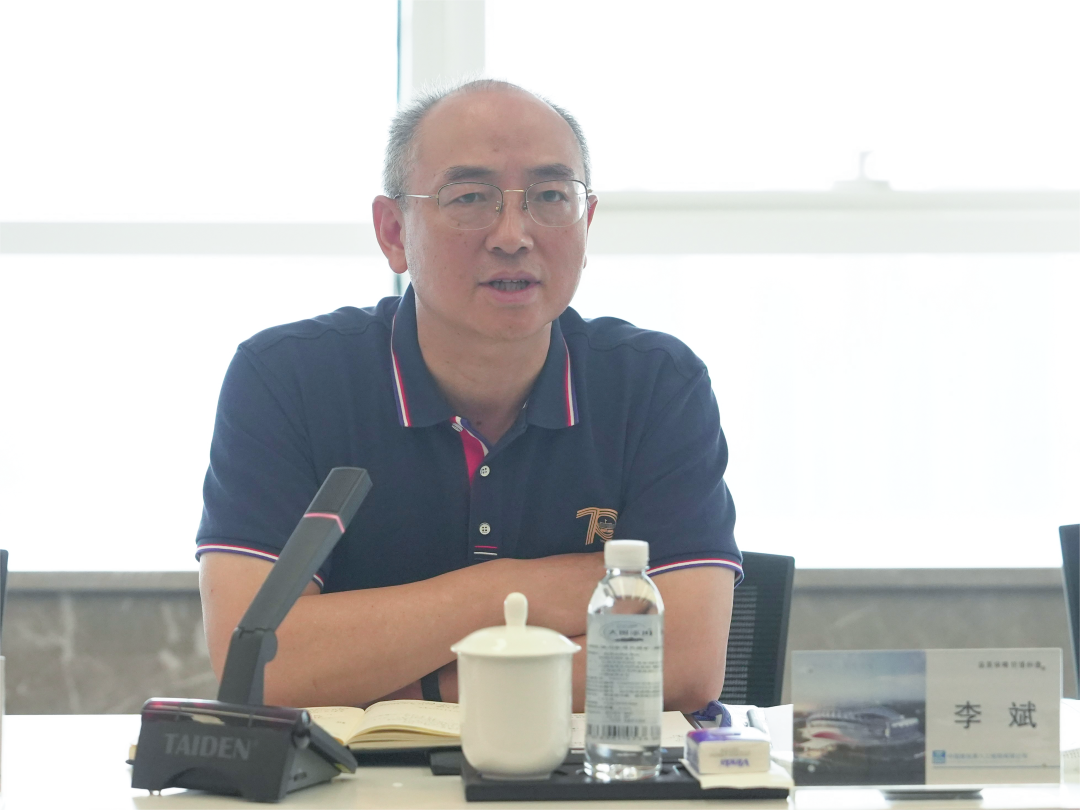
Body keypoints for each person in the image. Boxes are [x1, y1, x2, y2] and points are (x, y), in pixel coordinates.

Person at [197, 79, 741, 713]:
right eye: (470, 198)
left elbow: (683, 662)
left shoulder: (655, 384)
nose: (513, 235)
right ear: (393, 232)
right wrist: (509, 590)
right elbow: (259, 665)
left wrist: (416, 688)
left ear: (587, 222)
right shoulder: (286, 377)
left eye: (550, 196)